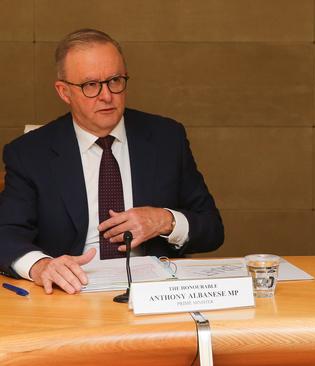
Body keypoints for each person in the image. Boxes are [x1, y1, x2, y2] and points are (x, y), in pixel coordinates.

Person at [0, 29, 224, 294]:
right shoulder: (29, 152)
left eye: (115, 80)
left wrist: (165, 220)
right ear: (64, 92)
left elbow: (212, 229)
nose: (107, 96)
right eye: (90, 85)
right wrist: (41, 265)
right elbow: (6, 234)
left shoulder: (166, 138)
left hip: (154, 293)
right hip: (71, 294)